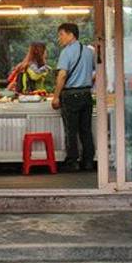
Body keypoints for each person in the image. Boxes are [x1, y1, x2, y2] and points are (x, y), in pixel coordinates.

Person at [52, 22, 95, 172]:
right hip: (86, 94)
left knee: (71, 130)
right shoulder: (88, 51)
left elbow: (62, 75)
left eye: (61, 34)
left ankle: (73, 161)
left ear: (71, 35)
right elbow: (95, 71)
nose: (59, 38)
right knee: (86, 130)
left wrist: (56, 96)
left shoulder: (66, 52)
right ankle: (88, 161)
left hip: (71, 95)